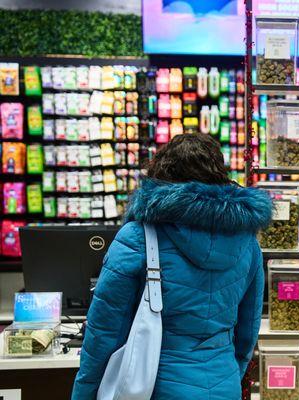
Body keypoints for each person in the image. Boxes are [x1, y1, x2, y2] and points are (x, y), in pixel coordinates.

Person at [72, 134, 272, 399]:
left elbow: (104, 334)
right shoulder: (248, 244)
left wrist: (83, 394)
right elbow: (247, 331)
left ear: (161, 176)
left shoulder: (138, 237)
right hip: (224, 384)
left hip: (155, 385)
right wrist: (228, 373)